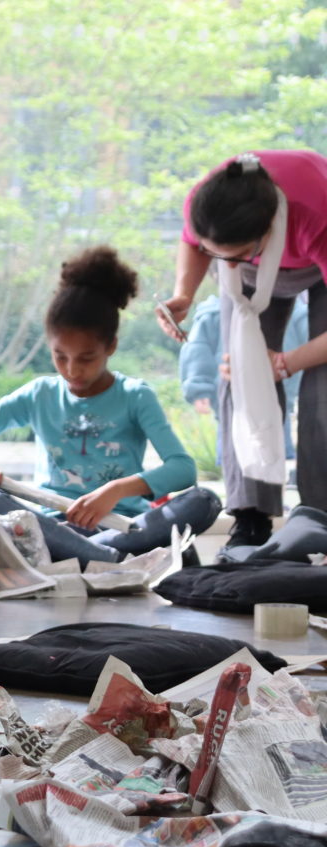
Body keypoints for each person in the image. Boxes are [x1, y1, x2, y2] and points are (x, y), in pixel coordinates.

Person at [0, 247, 221, 567]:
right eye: (60, 356)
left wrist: (116, 491)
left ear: (111, 346)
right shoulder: (39, 395)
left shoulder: (135, 396)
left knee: (204, 501)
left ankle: (92, 557)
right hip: (53, 528)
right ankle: (108, 561)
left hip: (123, 527)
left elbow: (183, 469)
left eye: (86, 358)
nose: (72, 370)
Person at [157, 151, 327, 550]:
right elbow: (195, 244)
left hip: (318, 266)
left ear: (267, 231)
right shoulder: (207, 203)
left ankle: (320, 515)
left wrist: (284, 363)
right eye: (215, 252)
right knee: (237, 373)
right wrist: (184, 292)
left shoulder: (315, 209)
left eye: (229, 254)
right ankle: (251, 517)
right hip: (247, 269)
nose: (219, 260)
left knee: (322, 386)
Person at [177, 294, 306, 459]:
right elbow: (197, 351)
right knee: (234, 449)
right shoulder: (214, 312)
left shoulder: (293, 308)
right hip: (233, 393)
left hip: (278, 390)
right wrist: (199, 388)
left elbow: (310, 339)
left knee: (276, 449)